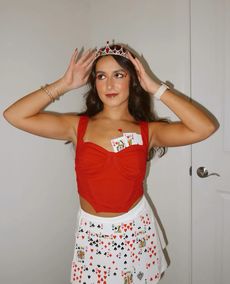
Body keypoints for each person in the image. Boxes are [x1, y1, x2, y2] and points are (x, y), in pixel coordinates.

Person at [3, 41, 217, 283]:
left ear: (133, 80)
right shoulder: (77, 126)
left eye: (119, 75)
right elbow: (14, 115)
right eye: (101, 76)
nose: (110, 84)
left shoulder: (149, 131)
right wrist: (64, 84)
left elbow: (205, 127)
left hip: (133, 231)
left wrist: (156, 88)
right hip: (91, 233)